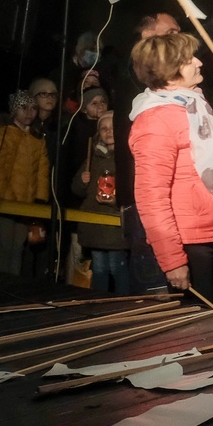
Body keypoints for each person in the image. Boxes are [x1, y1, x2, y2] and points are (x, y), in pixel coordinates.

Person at [129, 32, 213, 305]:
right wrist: (173, 261)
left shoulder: (194, 106)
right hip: (190, 243)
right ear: (170, 72)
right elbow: (151, 198)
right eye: (189, 59)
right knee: (204, 324)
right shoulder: (155, 121)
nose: (198, 62)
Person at [0, 89, 50, 276]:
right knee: (5, 245)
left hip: (25, 205)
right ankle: (2, 284)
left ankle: (13, 284)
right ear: (13, 110)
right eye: (23, 107)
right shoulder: (1, 134)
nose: (29, 112)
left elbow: (42, 171)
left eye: (33, 108)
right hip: (5, 203)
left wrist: (39, 200)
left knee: (19, 246)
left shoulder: (37, 137)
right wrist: (9, 201)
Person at [71, 110, 129, 294]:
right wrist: (82, 181)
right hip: (95, 225)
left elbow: (132, 191)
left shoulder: (126, 158)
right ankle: (98, 301)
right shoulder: (93, 157)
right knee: (99, 268)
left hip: (115, 226)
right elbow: (77, 190)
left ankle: (122, 303)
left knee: (117, 267)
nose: (108, 131)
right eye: (103, 128)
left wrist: (116, 201)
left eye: (112, 127)